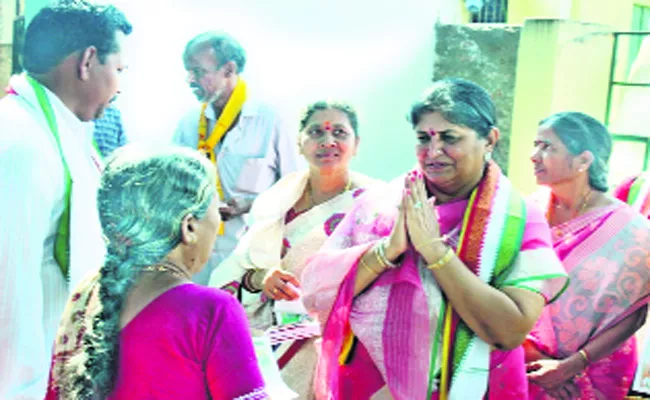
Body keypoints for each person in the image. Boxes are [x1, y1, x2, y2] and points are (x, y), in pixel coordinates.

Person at [300, 78, 569, 399]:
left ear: (489, 140)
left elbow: (510, 330)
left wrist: (435, 253)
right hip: (371, 385)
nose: (433, 151)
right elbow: (317, 293)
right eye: (423, 138)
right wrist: (388, 250)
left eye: (449, 138)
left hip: (468, 385)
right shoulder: (382, 204)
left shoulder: (518, 219)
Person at [45, 146, 268, 400]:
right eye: (216, 211)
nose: (218, 222)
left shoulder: (86, 294)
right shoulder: (211, 311)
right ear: (189, 227)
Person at [0, 3, 131, 398]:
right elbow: (8, 290)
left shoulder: (54, 131)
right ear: (88, 61)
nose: (120, 86)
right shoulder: (19, 141)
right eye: (120, 70)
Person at [209, 100, 378, 398]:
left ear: (357, 144)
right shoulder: (274, 203)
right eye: (316, 132)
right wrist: (261, 279)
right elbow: (235, 272)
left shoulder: (375, 205)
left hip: (342, 352)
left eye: (339, 132)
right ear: (299, 144)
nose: (328, 141)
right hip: (271, 348)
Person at [525, 112, 650, 400]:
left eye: (548, 147)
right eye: (535, 144)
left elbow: (633, 313)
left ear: (584, 160)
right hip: (524, 358)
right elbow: (502, 288)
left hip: (595, 370)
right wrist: (531, 355)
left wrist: (572, 365)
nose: (534, 155)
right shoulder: (527, 212)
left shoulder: (633, 231)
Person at [173, 31, 302, 285]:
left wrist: (250, 205)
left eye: (198, 71)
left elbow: (294, 191)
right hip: (198, 260)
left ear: (229, 69)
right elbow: (171, 188)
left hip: (254, 264)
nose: (190, 79)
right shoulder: (188, 125)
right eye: (188, 71)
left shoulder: (269, 120)